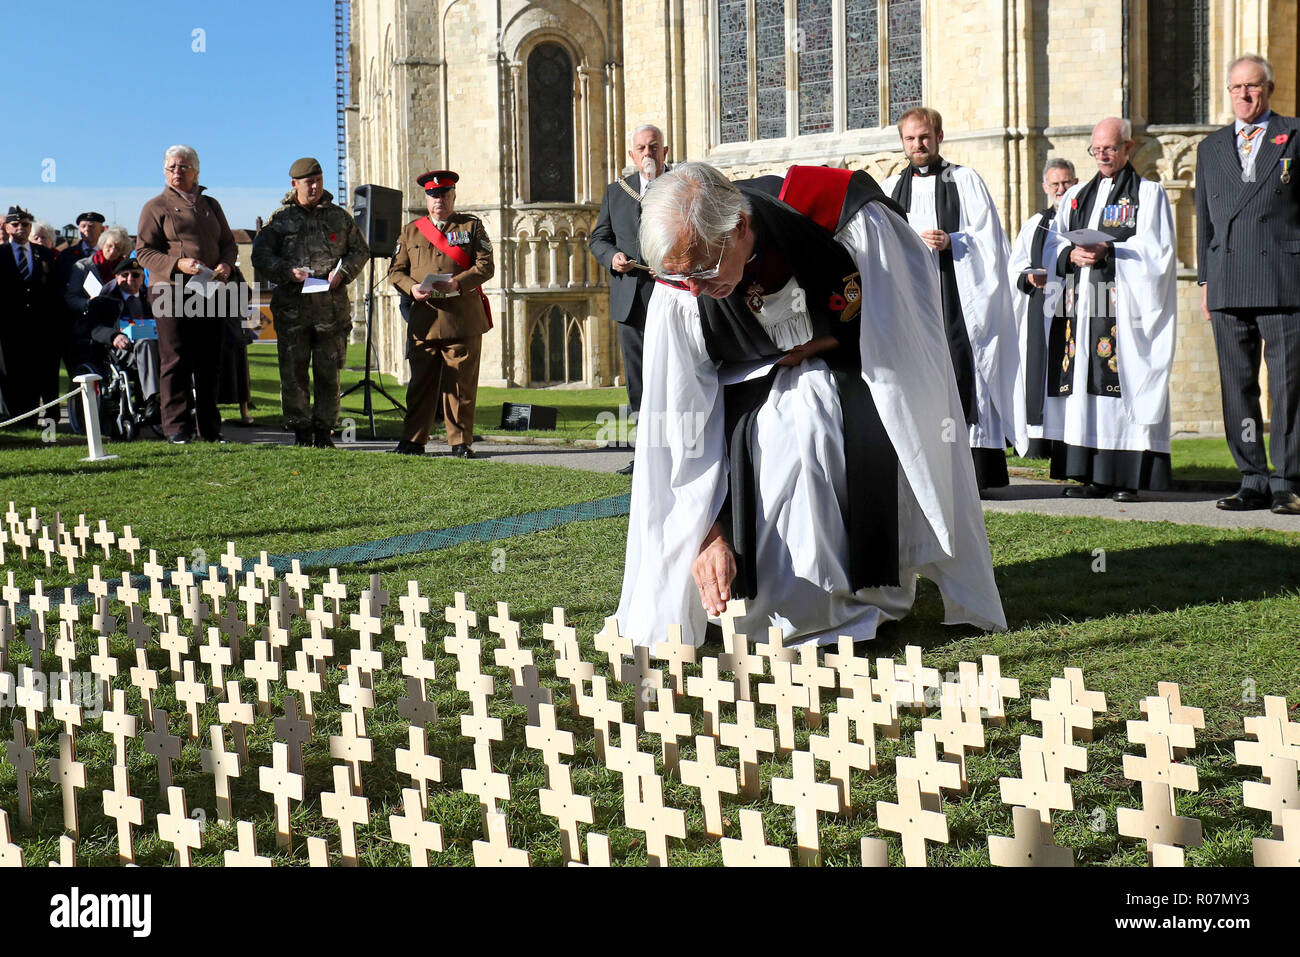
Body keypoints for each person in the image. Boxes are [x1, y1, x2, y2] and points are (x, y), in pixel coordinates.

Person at [615, 162, 1006, 650]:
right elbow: (677, 417)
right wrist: (704, 532)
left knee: (815, 428)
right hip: (739, 386)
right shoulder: (682, 283)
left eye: (704, 269)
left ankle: (854, 597)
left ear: (738, 227)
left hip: (852, 365)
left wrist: (821, 347)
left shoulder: (839, 215)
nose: (693, 288)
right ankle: (767, 605)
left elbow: (902, 337)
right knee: (781, 433)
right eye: (680, 275)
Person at [883, 107, 1025, 490]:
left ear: (940, 136)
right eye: (911, 139)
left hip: (959, 295)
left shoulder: (965, 180)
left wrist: (953, 241)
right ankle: (931, 473)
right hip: (915, 301)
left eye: (925, 137)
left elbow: (990, 239)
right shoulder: (890, 188)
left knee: (964, 369)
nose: (918, 144)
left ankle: (976, 474)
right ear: (902, 142)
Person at [1041, 118, 1177, 503]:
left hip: (1123, 311)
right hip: (1083, 310)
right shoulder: (1075, 197)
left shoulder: (1149, 194)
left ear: (1128, 148)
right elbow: (1051, 246)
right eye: (1096, 148)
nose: (1102, 154)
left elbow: (1160, 254)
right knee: (1085, 386)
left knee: (1116, 385)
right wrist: (1071, 253)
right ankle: (1091, 475)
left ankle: (1123, 479)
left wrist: (1111, 251)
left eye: (1111, 148)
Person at [1197, 54, 1300, 515]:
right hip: (1227, 280)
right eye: (1236, 88)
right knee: (1237, 386)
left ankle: (1288, 480)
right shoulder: (1211, 146)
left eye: (1252, 87)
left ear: (1269, 89)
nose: (1244, 95)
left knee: (1288, 385)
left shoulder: (1294, 135)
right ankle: (1252, 477)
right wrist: (1205, 281)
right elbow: (1205, 222)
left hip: (1283, 278)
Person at [252, 157, 370, 447]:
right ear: (295, 185)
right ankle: (301, 431)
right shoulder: (280, 219)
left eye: (318, 180)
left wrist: (342, 273)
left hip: (331, 310)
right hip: (293, 312)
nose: (315, 186)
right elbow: (260, 256)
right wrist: (286, 272)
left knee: (329, 373)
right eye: (309, 182)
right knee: (293, 373)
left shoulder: (339, 217)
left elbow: (360, 250)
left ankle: (324, 431)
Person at [134, 144, 238, 444]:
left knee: (210, 361)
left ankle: (210, 429)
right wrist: (177, 264)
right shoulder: (155, 207)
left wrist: (226, 264)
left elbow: (229, 243)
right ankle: (177, 428)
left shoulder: (211, 205)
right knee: (175, 359)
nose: (176, 172)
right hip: (171, 291)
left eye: (182, 167)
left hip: (211, 288)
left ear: (196, 170)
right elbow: (143, 252)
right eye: (170, 167)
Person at [387, 170, 494, 458]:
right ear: (426, 198)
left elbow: (486, 266)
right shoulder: (411, 231)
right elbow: (395, 272)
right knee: (420, 383)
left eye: (445, 195)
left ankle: (460, 442)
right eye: (434, 196)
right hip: (424, 321)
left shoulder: (472, 227)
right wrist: (411, 289)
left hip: (461, 320)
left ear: (453, 196)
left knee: (460, 384)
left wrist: (458, 282)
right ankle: (412, 441)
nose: (439, 201)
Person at [590, 124, 669, 474]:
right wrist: (612, 258)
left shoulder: (681, 188)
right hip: (631, 301)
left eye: (654, 147)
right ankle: (646, 455)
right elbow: (598, 239)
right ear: (632, 155)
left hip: (672, 297)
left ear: (664, 151)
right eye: (641, 148)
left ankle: (678, 450)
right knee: (637, 381)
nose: (648, 154)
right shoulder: (616, 193)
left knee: (672, 375)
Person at [1009, 158, 1078, 458]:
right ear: (1045, 187)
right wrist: (1028, 274)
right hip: (1041, 310)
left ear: (1076, 183)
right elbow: (1015, 265)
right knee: (1037, 366)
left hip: (1078, 307)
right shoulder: (1035, 223)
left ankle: (1071, 437)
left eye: (1066, 183)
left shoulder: (1085, 219)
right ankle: (1038, 440)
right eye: (1055, 184)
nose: (1061, 189)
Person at [75, 258, 161, 423]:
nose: (130, 279)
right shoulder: (104, 300)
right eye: (125, 275)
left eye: (135, 275)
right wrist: (114, 336)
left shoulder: (153, 299)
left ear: (143, 277)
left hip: (157, 348)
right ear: (116, 277)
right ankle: (152, 399)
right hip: (122, 350)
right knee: (145, 343)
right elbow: (94, 328)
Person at [0, 206, 61, 422]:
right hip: (10, 327)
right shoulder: (1, 254)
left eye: (25, 224)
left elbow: (53, 289)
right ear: (7, 227)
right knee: (14, 375)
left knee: (42, 372)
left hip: (41, 326)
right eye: (15, 224)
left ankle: (49, 418)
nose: (20, 228)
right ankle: (19, 419)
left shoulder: (43, 253)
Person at [65, 225, 131, 317]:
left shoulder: (126, 270)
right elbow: (71, 298)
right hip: (90, 320)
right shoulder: (83, 266)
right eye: (109, 246)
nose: (112, 251)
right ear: (102, 244)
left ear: (122, 251)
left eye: (117, 248)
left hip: (119, 320)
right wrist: (89, 303)